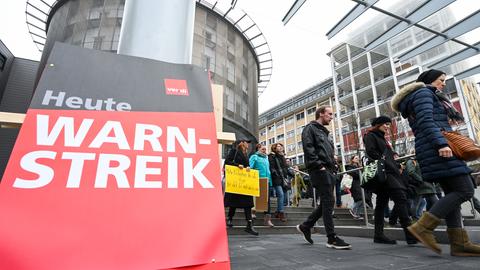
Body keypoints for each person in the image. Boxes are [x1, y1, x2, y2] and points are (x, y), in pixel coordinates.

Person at [391, 69, 480, 256]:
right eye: (441, 80)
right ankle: (423, 226)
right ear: (431, 80)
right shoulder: (423, 93)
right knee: (465, 190)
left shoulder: (422, 96)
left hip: (431, 148)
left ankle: (459, 243)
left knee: (453, 195)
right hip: (437, 148)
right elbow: (425, 120)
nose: (443, 83)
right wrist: (441, 144)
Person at [296, 105, 351, 249]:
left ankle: (306, 226)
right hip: (320, 170)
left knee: (327, 202)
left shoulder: (324, 132)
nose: (332, 117)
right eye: (330, 114)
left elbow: (325, 151)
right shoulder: (310, 128)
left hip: (328, 169)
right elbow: (308, 148)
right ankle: (331, 238)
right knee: (328, 201)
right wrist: (318, 165)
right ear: (321, 114)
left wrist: (333, 162)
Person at [363, 116, 417, 245]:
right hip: (385, 173)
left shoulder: (382, 138)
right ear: (378, 124)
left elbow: (387, 154)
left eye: (388, 124)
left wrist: (395, 162)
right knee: (401, 198)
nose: (387, 126)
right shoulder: (370, 135)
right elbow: (371, 152)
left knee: (381, 204)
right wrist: (387, 163)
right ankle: (410, 235)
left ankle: (378, 235)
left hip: (390, 172)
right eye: (385, 124)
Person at [224, 138, 259, 236]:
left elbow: (246, 165)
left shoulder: (245, 154)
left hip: (244, 183)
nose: (248, 144)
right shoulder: (234, 151)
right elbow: (227, 162)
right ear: (241, 143)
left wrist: (248, 168)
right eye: (246, 142)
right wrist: (237, 165)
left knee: (248, 203)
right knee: (233, 202)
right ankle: (230, 219)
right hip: (235, 181)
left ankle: (249, 225)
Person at [249, 144, 274, 227]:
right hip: (257, 180)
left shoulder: (266, 158)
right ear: (258, 149)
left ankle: (267, 220)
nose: (264, 151)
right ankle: (252, 213)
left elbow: (268, 170)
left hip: (267, 181)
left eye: (265, 149)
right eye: (263, 149)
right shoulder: (254, 157)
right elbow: (250, 168)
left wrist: (270, 181)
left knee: (267, 201)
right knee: (255, 197)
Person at [268, 143, 288, 222]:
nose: (280, 147)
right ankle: (281, 212)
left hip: (283, 179)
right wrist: (275, 173)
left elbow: (285, 168)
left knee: (284, 195)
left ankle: (278, 211)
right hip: (276, 178)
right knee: (280, 194)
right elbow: (271, 167)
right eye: (278, 146)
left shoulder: (282, 157)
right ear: (274, 148)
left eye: (281, 146)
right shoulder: (272, 156)